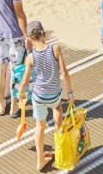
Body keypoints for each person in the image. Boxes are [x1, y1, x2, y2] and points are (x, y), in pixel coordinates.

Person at [16, 20, 73, 171]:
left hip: (39, 97)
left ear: (29, 39)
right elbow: (65, 73)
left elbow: (25, 80)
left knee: (39, 126)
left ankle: (40, 160)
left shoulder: (30, 58)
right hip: (54, 94)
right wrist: (70, 92)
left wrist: (21, 94)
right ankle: (60, 148)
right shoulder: (55, 49)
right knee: (57, 110)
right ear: (44, 33)